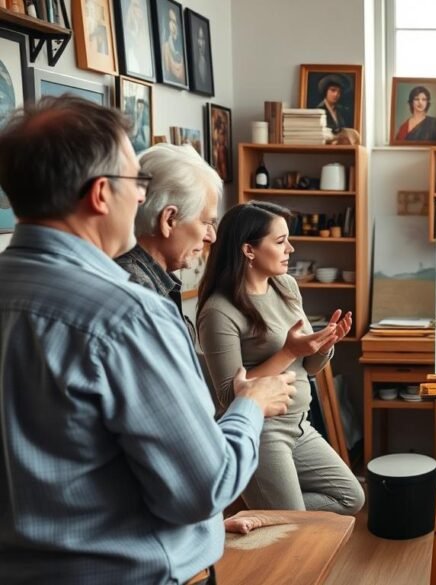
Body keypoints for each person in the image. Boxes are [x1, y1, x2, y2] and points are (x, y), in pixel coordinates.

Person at [0, 96, 296, 584]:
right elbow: (203, 486)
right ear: (100, 194)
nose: (141, 197)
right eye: (135, 183)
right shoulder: (128, 317)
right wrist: (249, 405)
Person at [197, 201, 365, 514]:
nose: (290, 247)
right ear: (249, 250)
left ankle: (272, 515)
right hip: (262, 432)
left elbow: (309, 367)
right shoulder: (219, 311)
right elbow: (227, 397)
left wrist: (325, 343)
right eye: (279, 241)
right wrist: (289, 351)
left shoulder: (285, 286)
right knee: (294, 528)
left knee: (350, 498)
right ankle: (274, 517)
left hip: (300, 425)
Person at [115, 143, 219, 340]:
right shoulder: (140, 294)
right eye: (206, 223)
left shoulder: (148, 278)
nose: (211, 237)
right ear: (169, 220)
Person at [121, 0, 153, 78]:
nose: (132, 9)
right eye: (131, 5)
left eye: (136, 6)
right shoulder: (127, 33)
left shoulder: (146, 39)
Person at [162, 7, 186, 84]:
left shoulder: (181, 52)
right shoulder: (165, 47)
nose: (174, 26)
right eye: (171, 21)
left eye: (175, 22)